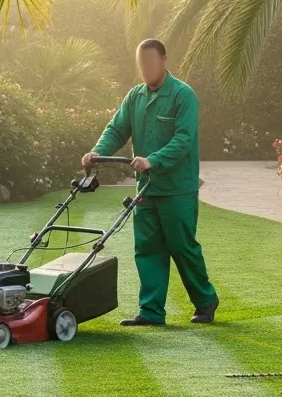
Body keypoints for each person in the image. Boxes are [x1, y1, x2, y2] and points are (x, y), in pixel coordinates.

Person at [83, 38, 220, 326]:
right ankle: (151, 311)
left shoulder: (183, 96)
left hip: (177, 188)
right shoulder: (135, 97)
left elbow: (183, 139)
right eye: (141, 63)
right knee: (148, 248)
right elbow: (117, 129)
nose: (145, 68)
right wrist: (98, 153)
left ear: (164, 60)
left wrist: (153, 160)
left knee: (182, 246)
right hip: (146, 188)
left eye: (150, 62)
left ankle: (206, 301)